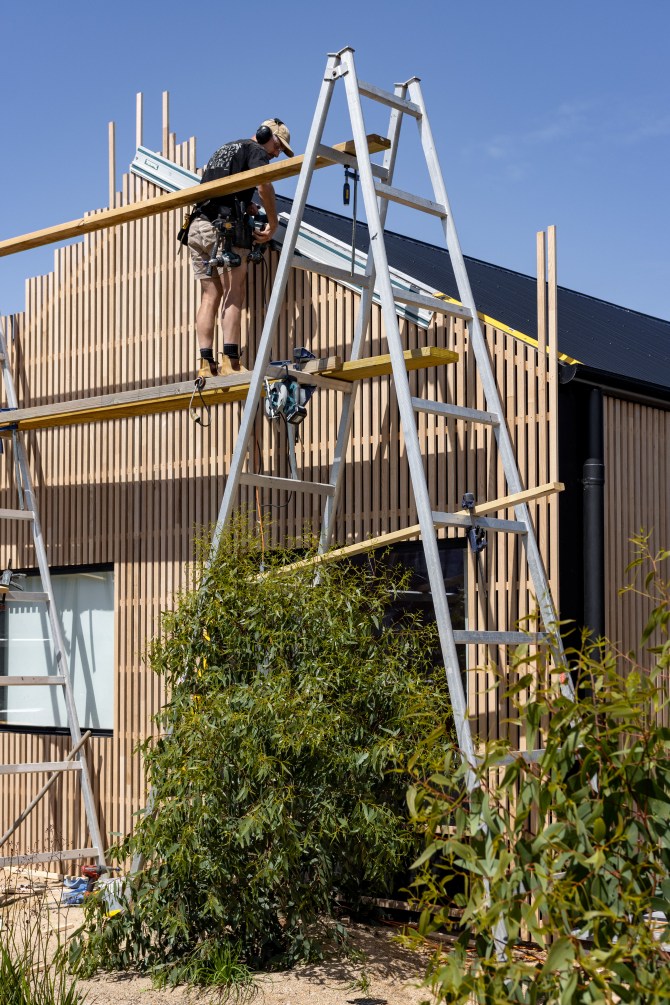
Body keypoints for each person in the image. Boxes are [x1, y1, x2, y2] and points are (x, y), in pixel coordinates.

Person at [187, 119, 294, 378]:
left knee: (209, 296)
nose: (277, 153)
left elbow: (220, 189)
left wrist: (245, 204)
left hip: (196, 228)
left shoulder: (226, 150)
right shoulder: (255, 150)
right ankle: (230, 363)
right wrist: (272, 219)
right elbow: (263, 185)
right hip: (222, 231)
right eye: (278, 146)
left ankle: (205, 365)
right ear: (265, 134)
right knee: (235, 292)